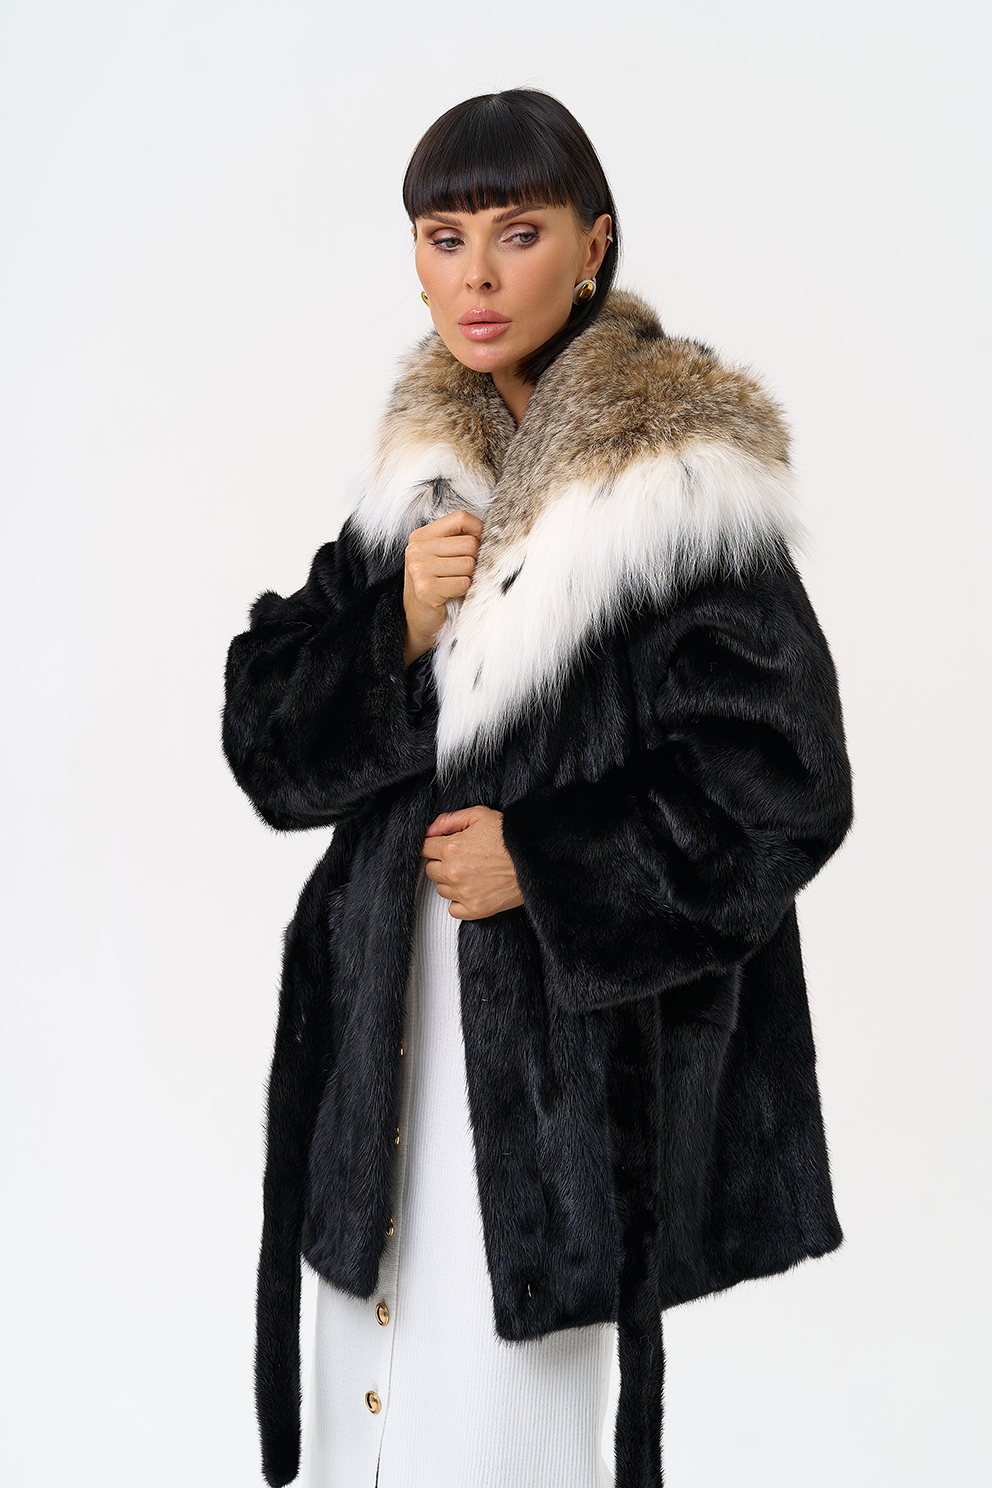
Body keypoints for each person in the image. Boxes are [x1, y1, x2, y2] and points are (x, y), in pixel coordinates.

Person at [222, 89, 853, 1488]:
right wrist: (394, 630)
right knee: (365, 1417)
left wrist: (552, 861)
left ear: (593, 246)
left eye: (519, 233)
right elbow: (267, 741)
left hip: (561, 1084)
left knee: (502, 1434)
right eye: (445, 238)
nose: (480, 277)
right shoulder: (417, 488)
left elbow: (785, 781)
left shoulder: (677, 490)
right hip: (382, 1047)